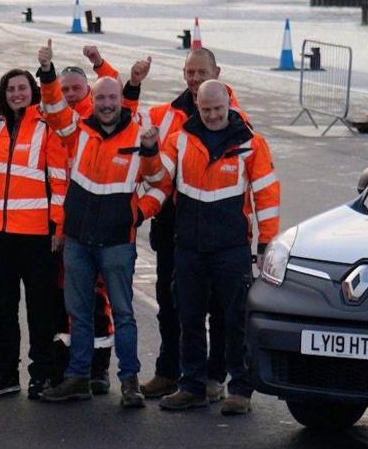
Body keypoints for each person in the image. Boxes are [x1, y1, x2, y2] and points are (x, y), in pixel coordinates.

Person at [158, 79, 279, 415]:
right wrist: (150, 152)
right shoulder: (180, 140)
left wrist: (266, 242)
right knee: (190, 318)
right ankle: (192, 386)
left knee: (235, 319)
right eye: (206, 109)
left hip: (231, 248)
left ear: (229, 105)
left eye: (218, 109)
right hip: (190, 247)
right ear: (197, 105)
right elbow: (158, 178)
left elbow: (266, 196)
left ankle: (240, 389)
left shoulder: (251, 144)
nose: (212, 116)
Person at [43, 76, 164, 408]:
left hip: (116, 244)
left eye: (113, 98)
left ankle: (130, 383)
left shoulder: (140, 137)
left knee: (124, 314)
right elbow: (54, 109)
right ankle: (78, 377)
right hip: (79, 241)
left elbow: (159, 185)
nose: (107, 104)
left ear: (121, 100)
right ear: (92, 101)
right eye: (101, 99)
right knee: (78, 313)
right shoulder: (79, 131)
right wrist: (47, 72)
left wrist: (137, 214)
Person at [0, 45, 69, 398]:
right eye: (11, 89)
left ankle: (41, 374)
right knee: (2, 309)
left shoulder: (47, 126)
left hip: (37, 235)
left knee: (40, 310)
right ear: (2, 95)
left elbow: (59, 180)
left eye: (22, 88)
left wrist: (57, 225)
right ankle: (7, 374)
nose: (17, 94)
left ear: (32, 92)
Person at [137, 48, 238, 401]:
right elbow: (158, 172)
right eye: (189, 73)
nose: (194, 80)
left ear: (217, 72)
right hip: (174, 224)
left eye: (201, 72)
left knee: (221, 308)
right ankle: (169, 370)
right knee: (171, 302)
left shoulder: (237, 116)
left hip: (221, 226)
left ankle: (214, 375)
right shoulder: (167, 115)